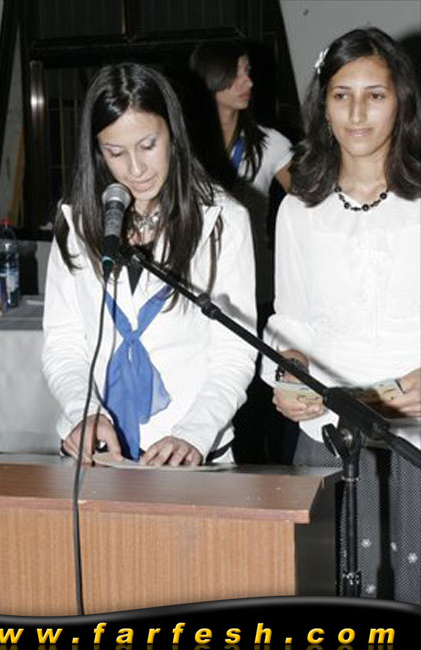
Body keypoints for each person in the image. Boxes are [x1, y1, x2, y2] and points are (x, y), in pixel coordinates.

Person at [262, 27, 421, 603]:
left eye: (375, 95)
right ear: (323, 104)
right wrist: (287, 369)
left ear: (401, 102)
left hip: (414, 437)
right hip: (329, 436)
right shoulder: (300, 209)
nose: (357, 113)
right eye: (341, 95)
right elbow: (289, 320)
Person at [42, 62, 257, 468]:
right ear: (97, 151)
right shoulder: (75, 221)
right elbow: (63, 343)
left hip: (190, 454)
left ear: (172, 133)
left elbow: (234, 352)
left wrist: (193, 434)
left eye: (147, 145)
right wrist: (82, 411)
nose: (135, 169)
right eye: (115, 152)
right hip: (96, 452)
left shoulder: (224, 220)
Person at [189, 40, 293, 315]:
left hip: (257, 288)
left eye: (247, 71)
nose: (248, 82)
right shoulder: (181, 146)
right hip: (196, 285)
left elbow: (310, 204)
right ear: (210, 77)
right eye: (236, 73)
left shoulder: (271, 143)